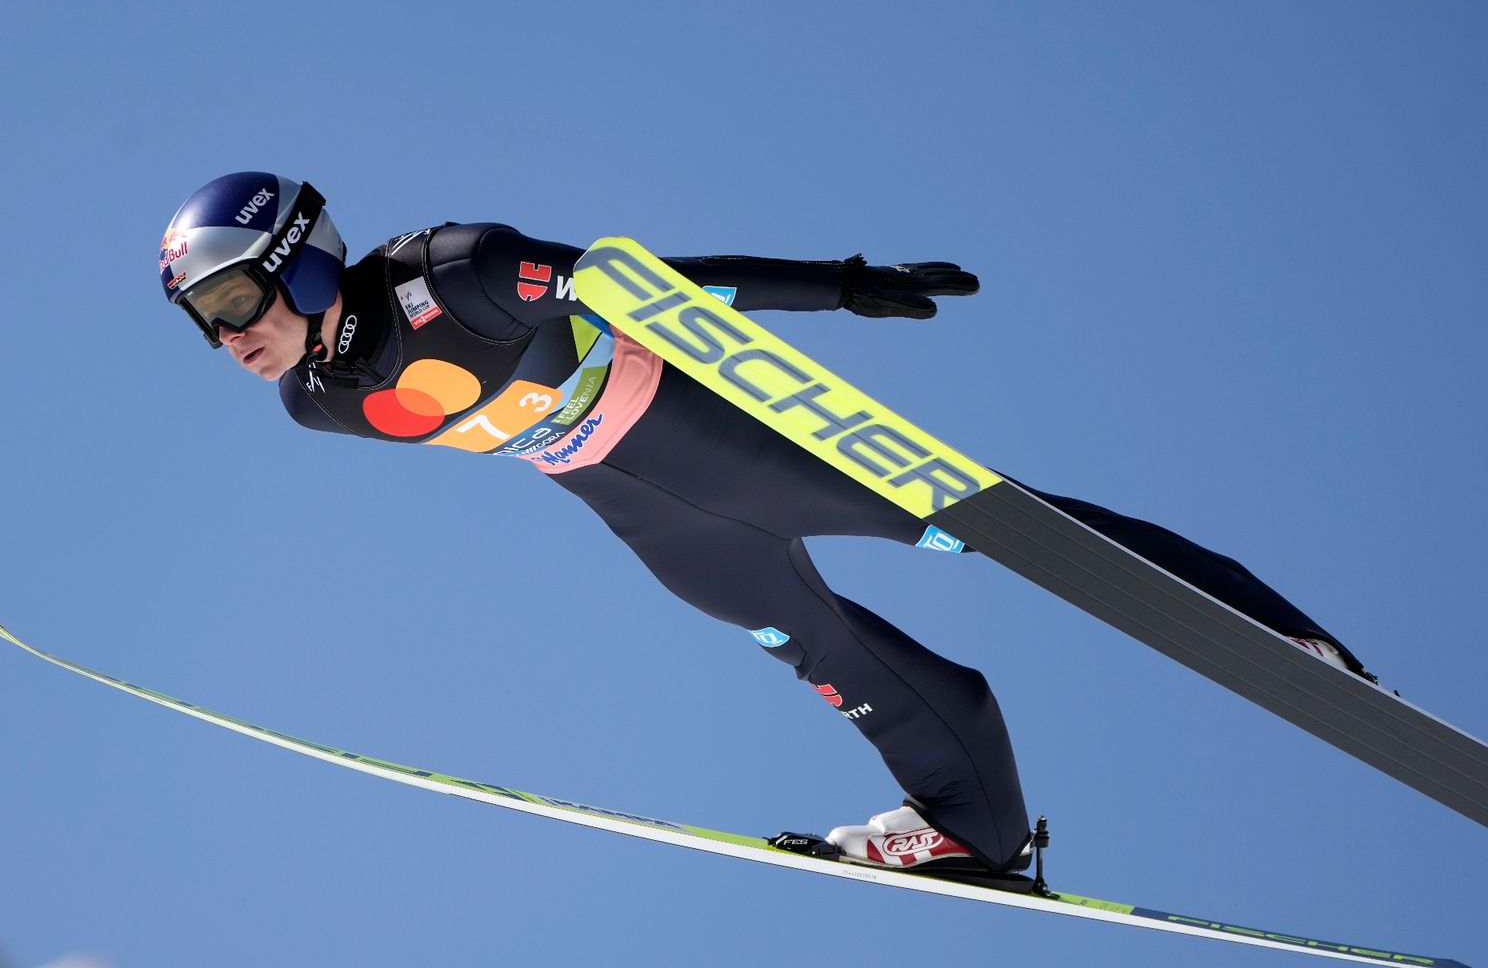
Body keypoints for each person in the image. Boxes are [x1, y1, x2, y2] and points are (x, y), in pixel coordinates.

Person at [156, 171, 1370, 875]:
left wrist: (831, 286)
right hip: (652, 521)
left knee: (1010, 530)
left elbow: (651, 284)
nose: (224, 335)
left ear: (295, 258)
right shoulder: (313, 404)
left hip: (723, 438)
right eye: (198, 320)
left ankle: (1276, 635)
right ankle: (972, 832)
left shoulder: (449, 270)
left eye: (228, 295)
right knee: (823, 654)